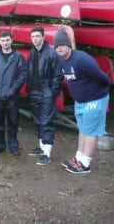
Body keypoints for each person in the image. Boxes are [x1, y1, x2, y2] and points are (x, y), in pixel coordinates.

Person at [54, 29, 110, 174]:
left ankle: (85, 163)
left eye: (62, 44)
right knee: (83, 129)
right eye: (56, 46)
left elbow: (102, 77)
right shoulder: (60, 59)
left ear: (68, 45)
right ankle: (79, 157)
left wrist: (102, 89)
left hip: (95, 99)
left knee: (91, 131)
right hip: (80, 101)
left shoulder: (81, 59)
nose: (59, 48)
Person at [26, 26, 63, 165]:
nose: (35, 39)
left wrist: (52, 92)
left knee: (47, 121)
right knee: (38, 120)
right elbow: (29, 73)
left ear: (43, 36)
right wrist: (29, 89)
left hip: (47, 92)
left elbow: (58, 74)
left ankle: (47, 153)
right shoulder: (32, 53)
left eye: (37, 36)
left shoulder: (51, 52)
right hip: (34, 91)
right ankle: (42, 147)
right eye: (33, 37)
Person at [0, 31, 27, 156]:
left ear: (11, 41)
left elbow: (23, 74)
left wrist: (13, 89)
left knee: (13, 121)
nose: (5, 43)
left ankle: (13, 145)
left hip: (12, 96)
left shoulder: (18, 57)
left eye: (7, 40)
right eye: (3, 40)